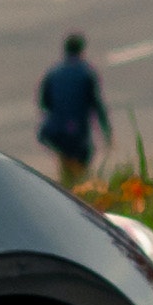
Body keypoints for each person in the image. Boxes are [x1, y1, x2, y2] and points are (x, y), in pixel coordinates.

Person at [36, 32, 106, 188]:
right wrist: (107, 133)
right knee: (80, 169)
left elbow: (44, 103)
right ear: (82, 50)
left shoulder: (53, 73)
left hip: (54, 132)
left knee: (65, 163)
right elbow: (96, 105)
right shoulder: (86, 73)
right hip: (76, 133)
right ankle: (76, 196)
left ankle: (67, 190)